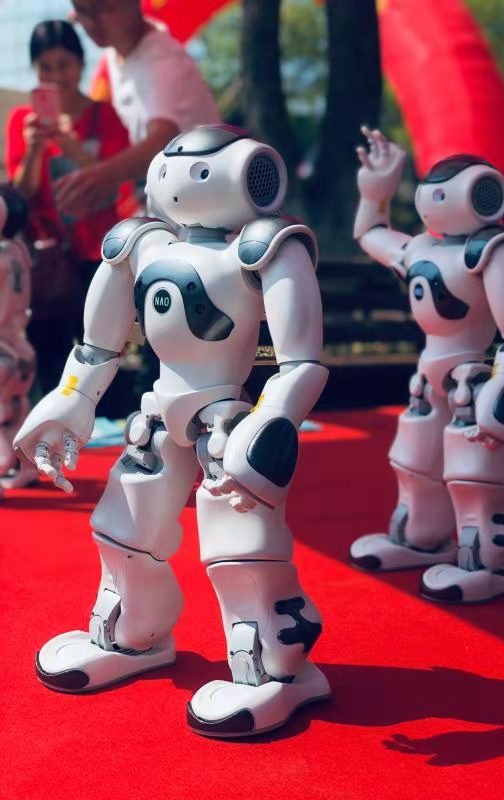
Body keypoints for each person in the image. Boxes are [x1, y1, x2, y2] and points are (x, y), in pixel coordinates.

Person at [15, 124, 330, 737]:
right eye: (170, 164)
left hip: (225, 419)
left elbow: (300, 363)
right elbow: (98, 341)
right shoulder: (142, 244)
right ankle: (134, 633)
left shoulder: (264, 248)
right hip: (157, 412)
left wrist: (269, 424)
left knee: (239, 545)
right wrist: (72, 396)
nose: (177, 175)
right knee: (124, 527)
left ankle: (277, 668)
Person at [349, 127, 504, 604]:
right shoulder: (422, 248)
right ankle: (421, 535)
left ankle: (493, 560)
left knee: (471, 470)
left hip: (472, 376)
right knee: (414, 459)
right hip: (431, 372)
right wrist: (375, 193)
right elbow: (370, 234)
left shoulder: (492, 250)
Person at [5, 19, 131, 391]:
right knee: (52, 361)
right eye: (46, 67)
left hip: (101, 254)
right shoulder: (22, 122)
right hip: (48, 260)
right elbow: (20, 198)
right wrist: (33, 151)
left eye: (64, 65)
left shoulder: (105, 117)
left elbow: (117, 184)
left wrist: (73, 147)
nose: (56, 76)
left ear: (80, 64)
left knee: (105, 355)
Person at [55, 0, 221, 219]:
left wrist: (103, 175)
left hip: (207, 203)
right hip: (179, 201)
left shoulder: (161, 59)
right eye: (83, 11)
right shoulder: (117, 50)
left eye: (104, 8)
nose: (92, 22)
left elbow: (163, 137)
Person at [0, 185, 38, 495]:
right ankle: (26, 466)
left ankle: (7, 463)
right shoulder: (19, 250)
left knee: (7, 411)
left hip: (4, 344)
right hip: (20, 342)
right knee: (17, 409)